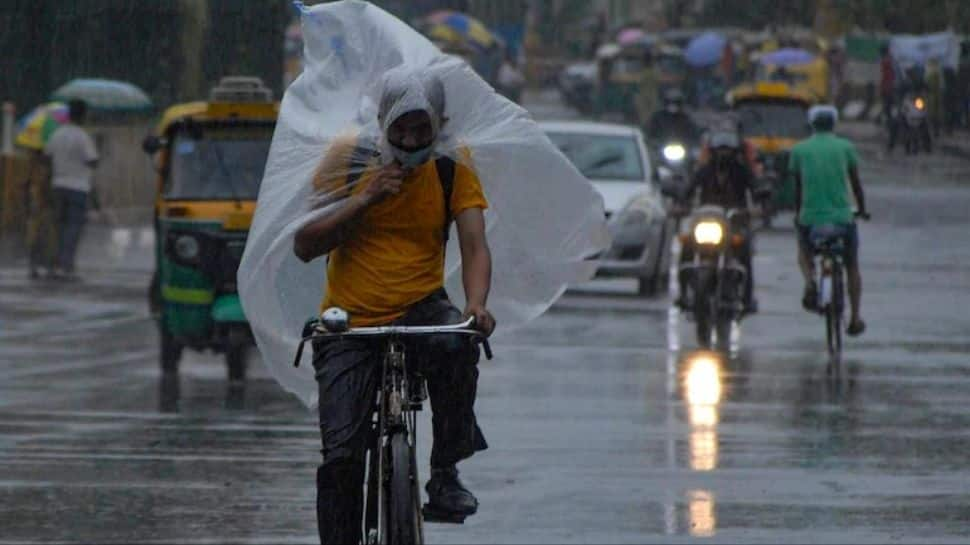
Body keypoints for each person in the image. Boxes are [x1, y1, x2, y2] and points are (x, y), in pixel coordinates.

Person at [293, 69, 495, 544]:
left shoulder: (451, 165)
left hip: (422, 307)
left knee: (457, 344)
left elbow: (474, 244)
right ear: (382, 121)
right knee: (342, 456)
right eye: (400, 127)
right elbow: (305, 243)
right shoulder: (348, 158)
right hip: (350, 318)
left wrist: (477, 305)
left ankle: (445, 471)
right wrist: (365, 197)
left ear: (439, 126)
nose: (410, 139)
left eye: (421, 129)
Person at [790, 105, 869, 336]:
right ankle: (854, 318)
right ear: (833, 124)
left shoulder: (799, 150)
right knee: (851, 265)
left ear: (812, 124)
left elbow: (798, 189)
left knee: (804, 252)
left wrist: (799, 214)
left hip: (811, 219)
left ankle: (809, 281)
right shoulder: (845, 147)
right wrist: (862, 210)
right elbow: (856, 185)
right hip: (843, 219)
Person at [676, 130, 759, 314]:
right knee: (687, 246)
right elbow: (689, 189)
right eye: (720, 150)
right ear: (713, 151)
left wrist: (758, 203)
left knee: (744, 250)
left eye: (727, 150)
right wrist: (681, 202)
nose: (723, 154)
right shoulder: (704, 171)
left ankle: (747, 298)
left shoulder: (741, 171)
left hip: (734, 222)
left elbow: (756, 188)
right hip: (706, 220)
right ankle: (683, 294)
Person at [43, 99, 99, 280]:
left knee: (58, 227)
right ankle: (66, 266)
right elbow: (93, 161)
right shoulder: (83, 136)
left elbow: (47, 156)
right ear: (83, 115)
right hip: (78, 188)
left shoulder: (57, 134)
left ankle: (54, 264)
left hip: (58, 186)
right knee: (73, 228)